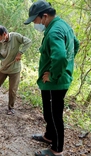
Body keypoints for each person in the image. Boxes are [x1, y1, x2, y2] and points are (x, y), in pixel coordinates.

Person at [24, 1, 80, 156]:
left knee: (54, 115)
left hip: (55, 82)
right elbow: (76, 44)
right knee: (49, 112)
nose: (35, 23)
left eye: (36, 20)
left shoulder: (55, 31)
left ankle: (56, 149)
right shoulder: (63, 25)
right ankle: (49, 136)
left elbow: (61, 56)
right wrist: (68, 64)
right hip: (56, 80)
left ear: (45, 16)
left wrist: (54, 74)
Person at [0, 25, 32, 115]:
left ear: (4, 34)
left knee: (12, 89)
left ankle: (11, 108)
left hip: (14, 69)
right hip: (3, 69)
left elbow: (28, 42)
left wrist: (20, 53)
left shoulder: (16, 37)